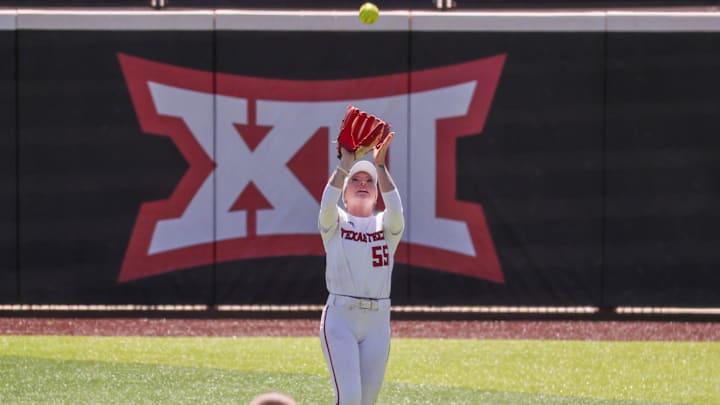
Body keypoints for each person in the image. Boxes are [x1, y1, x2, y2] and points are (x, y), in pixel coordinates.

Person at [317, 122, 404, 405]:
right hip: (341, 318)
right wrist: (345, 165)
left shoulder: (386, 225)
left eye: (369, 182)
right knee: (350, 399)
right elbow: (326, 205)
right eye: (355, 181)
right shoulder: (336, 223)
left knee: (366, 402)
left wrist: (379, 166)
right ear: (345, 193)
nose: (363, 184)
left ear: (377, 194)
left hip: (378, 321)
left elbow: (397, 209)